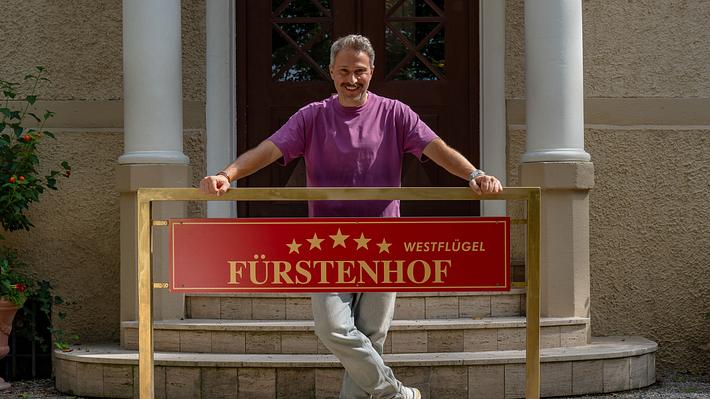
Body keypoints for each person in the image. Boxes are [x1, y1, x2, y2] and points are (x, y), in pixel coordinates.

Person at [200, 34, 502, 399]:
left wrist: (474, 175)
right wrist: (226, 175)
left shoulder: (395, 113)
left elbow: (437, 149)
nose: (352, 79)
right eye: (343, 71)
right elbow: (268, 149)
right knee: (333, 327)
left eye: (359, 71)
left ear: (372, 71)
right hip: (326, 243)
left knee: (372, 335)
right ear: (331, 72)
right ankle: (395, 394)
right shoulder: (312, 116)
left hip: (385, 242)